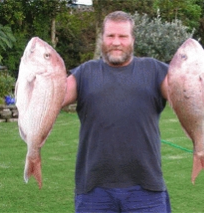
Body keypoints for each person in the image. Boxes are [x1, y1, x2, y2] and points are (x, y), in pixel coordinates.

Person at [63, 11, 171, 213]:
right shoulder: (85, 73)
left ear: (132, 39)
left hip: (146, 189)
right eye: (110, 36)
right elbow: (53, 97)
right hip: (94, 190)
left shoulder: (154, 70)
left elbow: (183, 93)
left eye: (123, 36)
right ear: (102, 38)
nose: (116, 42)